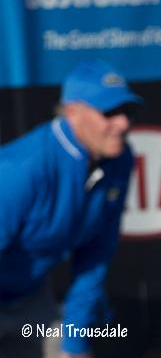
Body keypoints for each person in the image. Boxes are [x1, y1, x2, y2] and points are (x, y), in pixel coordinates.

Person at [0, 60, 141, 358]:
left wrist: (74, 343)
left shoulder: (120, 160)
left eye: (127, 111)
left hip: (30, 299)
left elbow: (96, 254)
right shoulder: (18, 171)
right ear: (73, 112)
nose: (123, 124)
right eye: (109, 112)